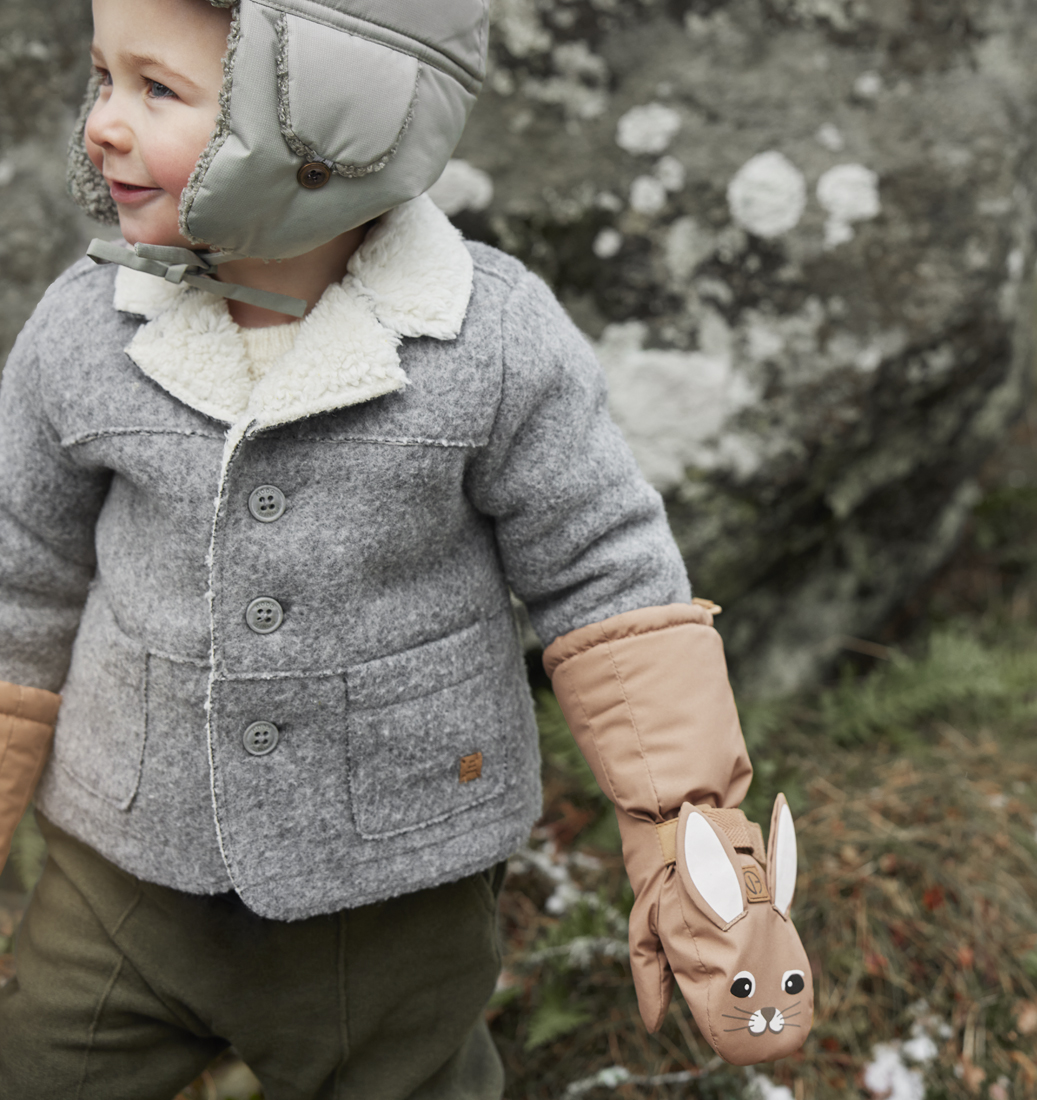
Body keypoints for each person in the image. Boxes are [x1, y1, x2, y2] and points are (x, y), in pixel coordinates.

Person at [0, 0, 805, 1095]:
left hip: (393, 903)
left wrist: (688, 834)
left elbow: (607, 579)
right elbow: (20, 578)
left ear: (333, 114)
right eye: (104, 77)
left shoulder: (490, 340)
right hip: (118, 880)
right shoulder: (85, 327)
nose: (100, 121)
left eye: (158, 89)